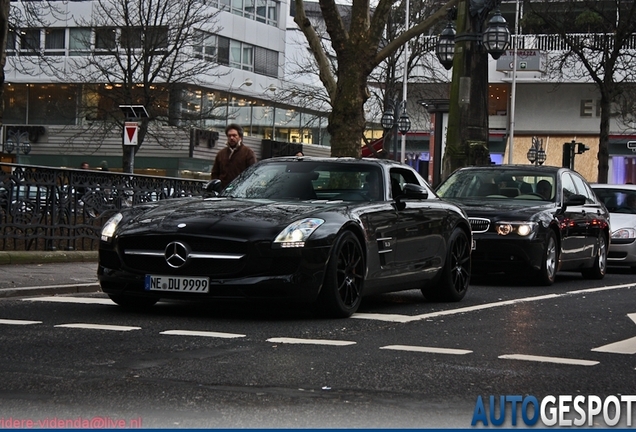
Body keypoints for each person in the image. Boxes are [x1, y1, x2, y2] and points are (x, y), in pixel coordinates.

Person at [211, 124, 257, 188]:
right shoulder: (221, 154)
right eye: (229, 136)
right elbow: (215, 173)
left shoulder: (248, 153)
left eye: (234, 135)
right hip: (222, 191)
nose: (231, 138)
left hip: (240, 190)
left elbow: (252, 173)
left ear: (240, 137)